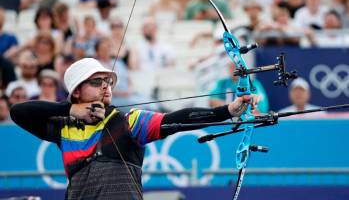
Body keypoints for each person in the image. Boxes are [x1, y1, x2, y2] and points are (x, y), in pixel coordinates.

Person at [10, 58, 258, 199]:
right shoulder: (64, 129)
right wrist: (71, 110)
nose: (106, 86)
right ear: (76, 91)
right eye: (97, 82)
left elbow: (176, 119)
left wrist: (228, 110)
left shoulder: (129, 121)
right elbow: (19, 112)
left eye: (108, 82)